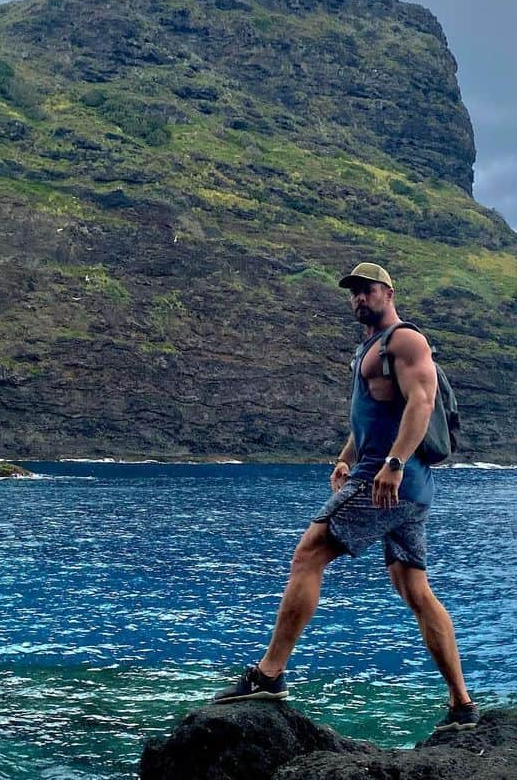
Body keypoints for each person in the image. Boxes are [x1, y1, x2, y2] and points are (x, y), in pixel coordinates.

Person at [212, 262, 479, 731]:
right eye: (353, 293)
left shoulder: (406, 341)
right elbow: (372, 416)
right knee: (415, 590)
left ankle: (269, 675)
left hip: (388, 482)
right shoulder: (368, 350)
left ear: (388, 291)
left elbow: (422, 402)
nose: (359, 299)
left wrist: (392, 465)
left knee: (308, 554)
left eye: (367, 290)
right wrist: (344, 456)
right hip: (399, 485)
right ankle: (462, 705)